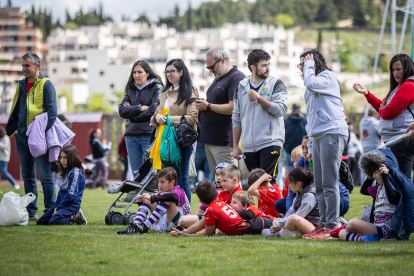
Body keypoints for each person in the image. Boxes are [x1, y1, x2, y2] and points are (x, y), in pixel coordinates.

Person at [299, 49, 348, 239]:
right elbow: (310, 119)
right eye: (301, 65)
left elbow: (311, 82)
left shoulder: (327, 77)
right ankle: (323, 224)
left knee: (329, 182)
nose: (302, 68)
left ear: (315, 64)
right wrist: (310, 145)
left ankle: (331, 225)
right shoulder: (310, 90)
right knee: (319, 184)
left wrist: (309, 65)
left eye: (305, 64)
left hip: (332, 132)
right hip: (318, 136)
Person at [6, 52, 57, 221]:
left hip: (38, 137)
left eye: (27, 65)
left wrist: (40, 134)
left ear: (37, 66)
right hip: (21, 137)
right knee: (27, 176)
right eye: (22, 65)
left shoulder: (46, 84)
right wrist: (14, 130)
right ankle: (31, 212)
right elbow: (16, 109)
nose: (23, 69)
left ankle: (50, 211)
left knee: (45, 175)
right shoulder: (20, 85)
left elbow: (52, 113)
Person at [331, 149, 414, 241]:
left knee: (352, 223)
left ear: (384, 169)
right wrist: (370, 174)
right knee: (342, 234)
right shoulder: (379, 188)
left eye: (375, 172)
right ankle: (364, 239)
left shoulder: (393, 186)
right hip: (377, 227)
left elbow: (393, 200)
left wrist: (385, 177)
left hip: (388, 230)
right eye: (372, 173)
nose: (373, 176)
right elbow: (363, 190)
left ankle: (344, 226)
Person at [353, 53, 414, 178]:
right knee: (396, 180)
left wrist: (382, 110)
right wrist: (367, 94)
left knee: (401, 181)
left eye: (398, 69)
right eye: (393, 70)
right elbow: (383, 107)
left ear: (407, 68)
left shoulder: (408, 86)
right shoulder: (399, 87)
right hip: (396, 140)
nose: (395, 73)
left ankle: (406, 198)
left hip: (401, 139)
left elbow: (388, 112)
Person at [232, 49, 288, 177]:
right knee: (255, 186)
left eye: (268, 64)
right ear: (253, 67)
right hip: (248, 146)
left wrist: (258, 98)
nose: (268, 68)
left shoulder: (277, 84)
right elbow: (236, 118)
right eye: (264, 65)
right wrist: (235, 146)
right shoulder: (240, 87)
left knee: (267, 184)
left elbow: (280, 110)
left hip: (270, 142)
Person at [150, 58, 199, 203]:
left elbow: (192, 118)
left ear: (181, 72)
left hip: (181, 141)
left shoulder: (190, 91)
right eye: (167, 72)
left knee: (182, 178)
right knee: (168, 180)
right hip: (163, 142)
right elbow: (154, 117)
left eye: (172, 71)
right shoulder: (163, 93)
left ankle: (186, 214)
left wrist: (169, 119)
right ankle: (172, 214)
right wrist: (157, 117)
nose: (169, 74)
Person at [196, 47, 245, 177]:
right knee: (219, 183)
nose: (210, 70)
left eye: (211, 67)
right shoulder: (219, 77)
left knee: (229, 181)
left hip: (223, 141)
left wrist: (208, 106)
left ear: (222, 60)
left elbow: (233, 108)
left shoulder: (236, 77)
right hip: (210, 139)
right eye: (208, 68)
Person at [170, 179, 272, 237]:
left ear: (201, 201)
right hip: (258, 222)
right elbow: (202, 222)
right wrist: (184, 232)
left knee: (281, 228)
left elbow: (207, 234)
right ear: (216, 193)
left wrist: (186, 236)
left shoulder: (211, 209)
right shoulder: (219, 202)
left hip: (257, 225)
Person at [119, 60, 164, 175]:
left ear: (148, 73)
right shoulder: (130, 89)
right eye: (134, 72)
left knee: (150, 172)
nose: (136, 75)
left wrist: (132, 115)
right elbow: (122, 111)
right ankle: (139, 194)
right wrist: (139, 108)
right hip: (131, 136)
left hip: (148, 134)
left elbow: (153, 110)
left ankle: (150, 193)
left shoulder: (157, 87)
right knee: (136, 172)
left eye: (140, 72)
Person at [118, 167, 191, 234]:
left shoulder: (179, 191)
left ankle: (145, 225)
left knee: (166, 199)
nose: (159, 185)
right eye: (158, 181)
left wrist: (152, 198)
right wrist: (141, 202)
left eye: (162, 182)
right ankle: (136, 226)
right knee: (146, 199)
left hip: (178, 223)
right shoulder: (162, 193)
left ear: (172, 183)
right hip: (165, 222)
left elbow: (173, 197)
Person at [37, 145, 87, 226]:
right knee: (40, 222)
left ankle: (76, 216)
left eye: (65, 157)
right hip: (62, 205)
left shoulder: (75, 172)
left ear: (73, 157)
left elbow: (71, 194)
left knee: (53, 222)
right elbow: (61, 192)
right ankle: (65, 215)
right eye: (60, 157)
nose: (62, 160)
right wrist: (56, 207)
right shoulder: (66, 170)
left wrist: (59, 207)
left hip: (71, 206)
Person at [263, 167, 320, 238]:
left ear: (298, 184)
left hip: (315, 227)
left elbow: (299, 215)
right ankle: (285, 232)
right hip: (303, 222)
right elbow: (290, 212)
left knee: (293, 218)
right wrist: (278, 224)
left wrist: (279, 225)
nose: (289, 186)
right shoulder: (299, 194)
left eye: (290, 183)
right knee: (277, 220)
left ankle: (282, 233)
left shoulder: (309, 195)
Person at [178, 162, 231, 228]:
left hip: (222, 219)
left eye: (222, 174)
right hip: (209, 216)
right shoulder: (213, 189)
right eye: (217, 174)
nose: (218, 178)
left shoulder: (231, 191)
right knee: (184, 219)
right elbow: (201, 210)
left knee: (184, 221)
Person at [283, 103, 307, 172]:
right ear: (300, 109)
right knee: (303, 171)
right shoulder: (305, 120)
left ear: (292, 109)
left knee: (291, 171)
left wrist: (286, 146)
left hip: (289, 151)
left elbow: (282, 135)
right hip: (302, 151)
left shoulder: (286, 121)